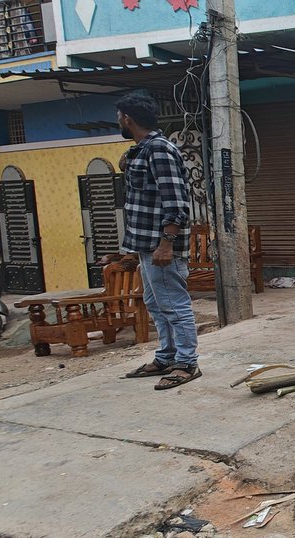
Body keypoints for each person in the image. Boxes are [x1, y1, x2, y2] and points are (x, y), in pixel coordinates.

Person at [116, 94, 201, 389]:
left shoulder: (160, 150)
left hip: (161, 245)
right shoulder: (143, 149)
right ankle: (166, 356)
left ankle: (187, 363)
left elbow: (176, 202)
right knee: (156, 303)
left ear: (127, 118)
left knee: (174, 305)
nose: (119, 122)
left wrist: (167, 244)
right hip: (146, 245)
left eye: (119, 117)